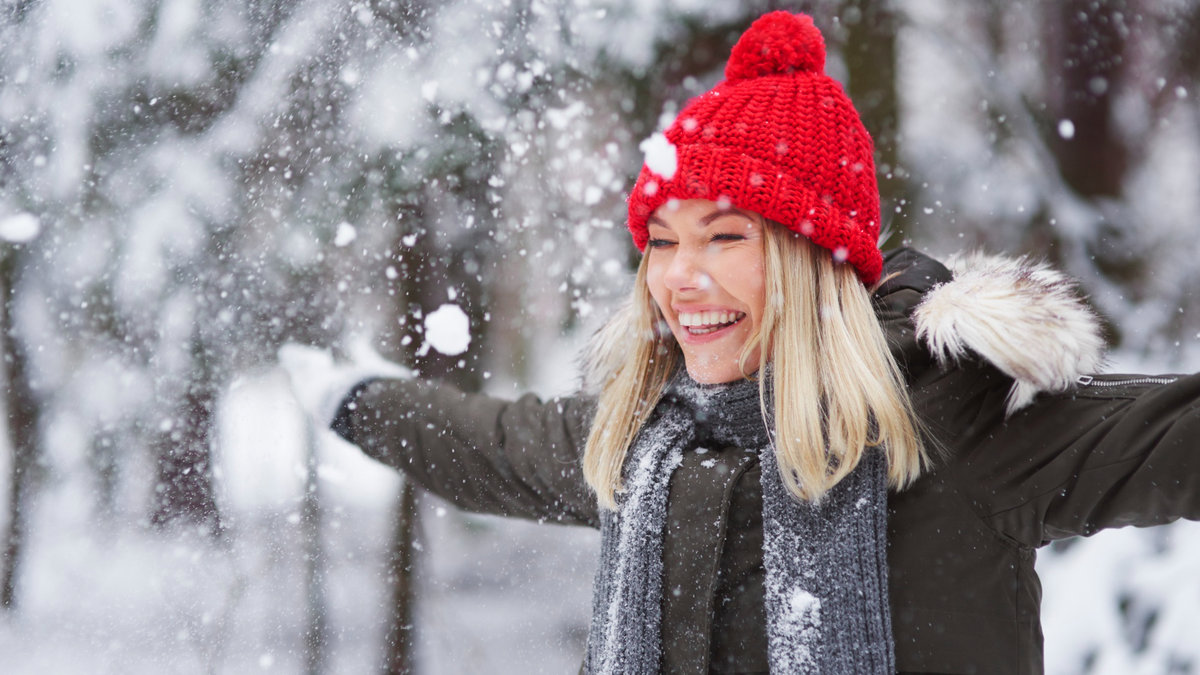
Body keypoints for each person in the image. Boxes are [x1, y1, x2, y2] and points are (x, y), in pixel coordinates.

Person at [281, 11, 1200, 674]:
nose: (681, 279)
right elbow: (486, 445)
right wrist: (352, 397)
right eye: (662, 242)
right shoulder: (648, 440)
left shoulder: (956, 424)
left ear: (812, 262)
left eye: (725, 237)